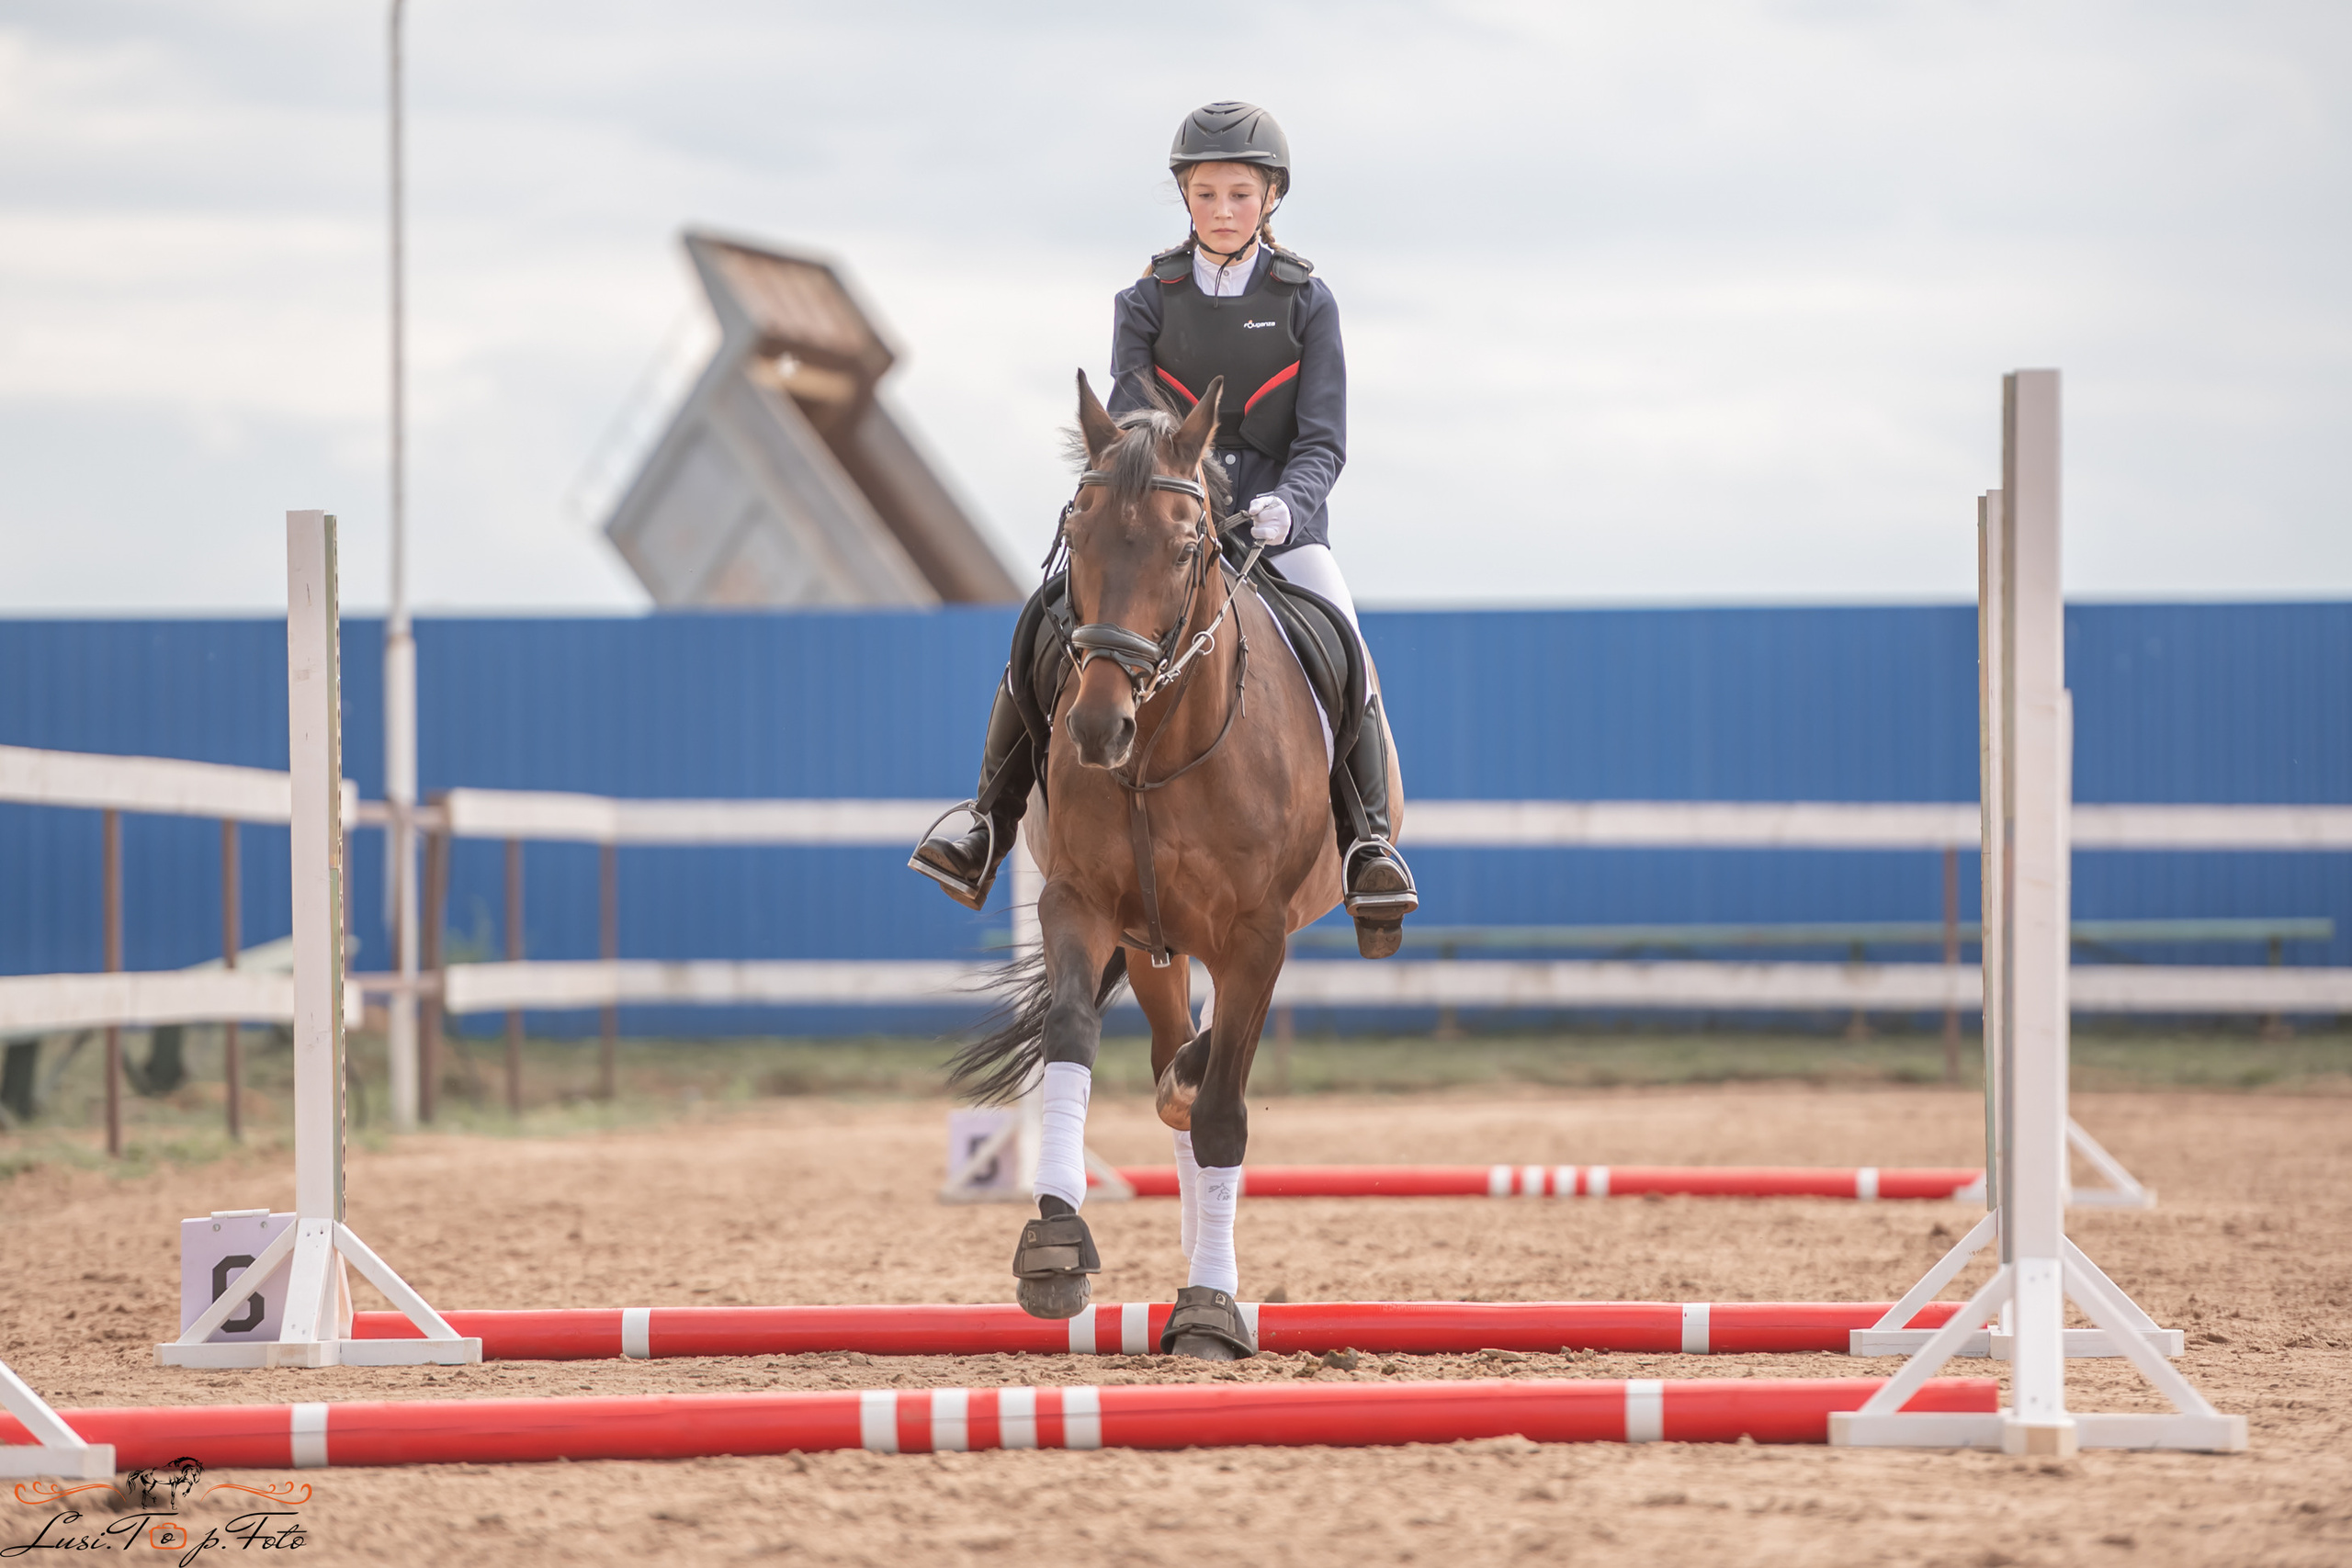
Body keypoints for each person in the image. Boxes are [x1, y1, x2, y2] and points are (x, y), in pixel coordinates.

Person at [910, 100, 1416, 948]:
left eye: (1241, 194)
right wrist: (1169, 504)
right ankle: (985, 822)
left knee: (1344, 641)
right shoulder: (1145, 300)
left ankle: (1366, 842)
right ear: (1185, 196)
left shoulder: (1307, 304)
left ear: (1270, 199)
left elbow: (1323, 438)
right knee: (1043, 617)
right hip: (1166, 528)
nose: (1223, 210)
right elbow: (1130, 415)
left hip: (1280, 526)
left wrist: (1289, 503)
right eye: (1207, 192)